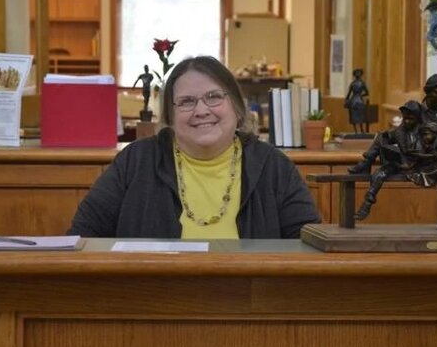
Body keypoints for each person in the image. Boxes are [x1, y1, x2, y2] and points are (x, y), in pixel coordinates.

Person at [68, 55, 321, 238]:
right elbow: (81, 236)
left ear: (236, 105)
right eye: (186, 101)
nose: (201, 111)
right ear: (170, 115)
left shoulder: (273, 166)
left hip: (252, 305)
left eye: (213, 97)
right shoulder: (135, 161)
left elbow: (308, 246)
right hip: (151, 302)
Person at [354, 100, 423, 220]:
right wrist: (386, 148)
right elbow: (384, 137)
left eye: (410, 119)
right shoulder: (400, 131)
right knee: (379, 173)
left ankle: (366, 164)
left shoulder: (423, 132)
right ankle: (366, 204)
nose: (406, 121)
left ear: (417, 118)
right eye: (405, 118)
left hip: (418, 166)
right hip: (399, 163)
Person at [344, 68, 369, 134]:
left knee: (353, 117)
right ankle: (362, 130)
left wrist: (346, 100)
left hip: (353, 101)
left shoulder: (352, 84)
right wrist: (361, 95)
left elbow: (348, 94)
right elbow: (367, 93)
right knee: (360, 116)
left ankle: (356, 131)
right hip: (360, 101)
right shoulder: (362, 83)